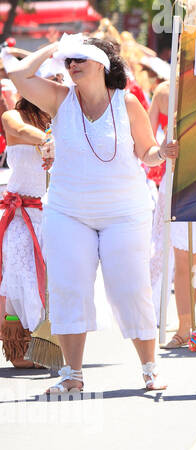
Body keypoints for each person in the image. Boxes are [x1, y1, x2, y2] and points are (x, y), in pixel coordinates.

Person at [6, 35, 174, 394]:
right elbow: (18, 74)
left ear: (101, 63)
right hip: (68, 212)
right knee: (68, 288)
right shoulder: (59, 100)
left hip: (123, 212)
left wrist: (164, 152)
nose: (72, 65)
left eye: (80, 58)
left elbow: (147, 153)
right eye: (68, 61)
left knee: (130, 287)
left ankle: (149, 367)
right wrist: (55, 49)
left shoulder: (127, 103)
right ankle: (72, 375)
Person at [0, 58, 60, 368]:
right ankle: (18, 349)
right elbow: (21, 130)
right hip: (20, 215)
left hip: (52, 214)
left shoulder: (60, 118)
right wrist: (49, 141)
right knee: (19, 278)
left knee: (51, 283)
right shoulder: (13, 116)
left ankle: (46, 345)